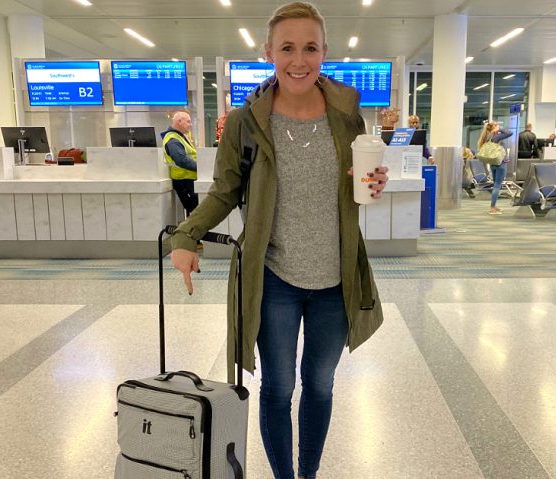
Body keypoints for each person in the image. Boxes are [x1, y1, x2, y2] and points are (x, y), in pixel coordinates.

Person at [169, 3, 388, 478]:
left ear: (324, 51)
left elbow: (360, 181)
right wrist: (188, 235)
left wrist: (373, 182)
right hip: (273, 278)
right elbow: (225, 191)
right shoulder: (247, 121)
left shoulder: (348, 113)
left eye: (310, 47)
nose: (299, 59)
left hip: (336, 278)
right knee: (278, 387)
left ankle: (307, 474)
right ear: (268, 52)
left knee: (321, 385)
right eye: (287, 47)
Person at [162, 111, 199, 216]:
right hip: (184, 182)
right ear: (179, 121)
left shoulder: (181, 136)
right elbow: (181, 160)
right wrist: (201, 167)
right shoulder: (173, 139)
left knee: (196, 213)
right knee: (194, 213)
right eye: (188, 121)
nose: (190, 124)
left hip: (189, 180)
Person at [478, 121, 513, 215]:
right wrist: (499, 130)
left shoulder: (487, 137)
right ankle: (492, 207)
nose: (499, 127)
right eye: (497, 126)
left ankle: (494, 205)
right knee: (497, 185)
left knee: (495, 185)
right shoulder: (496, 136)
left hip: (493, 164)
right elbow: (510, 133)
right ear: (494, 127)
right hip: (501, 163)